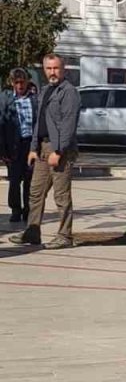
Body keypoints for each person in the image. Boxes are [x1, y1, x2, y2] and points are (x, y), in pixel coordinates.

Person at [9, 54, 78, 249]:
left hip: (59, 150)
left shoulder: (69, 92)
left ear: (63, 69)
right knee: (35, 193)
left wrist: (59, 150)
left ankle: (65, 235)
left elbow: (68, 124)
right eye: (49, 69)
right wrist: (33, 148)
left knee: (61, 195)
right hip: (41, 149)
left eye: (56, 68)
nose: (52, 72)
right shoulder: (46, 90)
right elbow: (38, 122)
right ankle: (32, 231)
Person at [1, 69, 36, 224]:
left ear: (27, 82)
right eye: (17, 82)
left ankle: (28, 211)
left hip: (31, 145)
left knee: (30, 179)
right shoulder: (5, 99)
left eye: (22, 82)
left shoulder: (34, 99)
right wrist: (2, 150)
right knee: (14, 180)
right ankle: (15, 209)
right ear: (12, 83)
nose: (20, 85)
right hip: (14, 145)